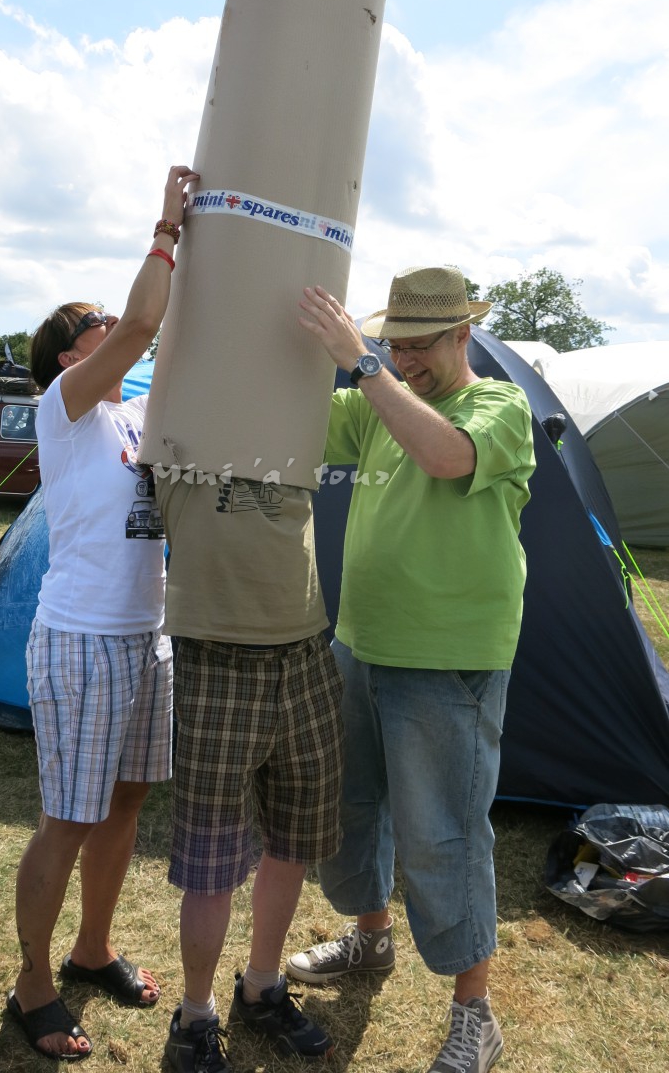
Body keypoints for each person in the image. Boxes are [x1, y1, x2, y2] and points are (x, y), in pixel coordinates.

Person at [289, 266, 536, 1073]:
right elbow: (293, 420)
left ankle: (474, 1013)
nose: (403, 360)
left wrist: (362, 364)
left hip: (448, 656)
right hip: (359, 642)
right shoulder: (376, 401)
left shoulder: (497, 406)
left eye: (418, 345)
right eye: (393, 346)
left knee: (443, 835)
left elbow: (442, 456)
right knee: (350, 809)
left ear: (463, 334)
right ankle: (370, 938)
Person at [7, 164, 199, 1062]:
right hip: (81, 638)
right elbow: (147, 325)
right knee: (69, 818)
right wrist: (167, 229)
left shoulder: (131, 416)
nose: (114, 325)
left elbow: (178, 343)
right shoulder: (66, 410)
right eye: (96, 324)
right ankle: (31, 984)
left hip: (144, 638)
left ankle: (91, 949)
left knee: (124, 803)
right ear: (68, 357)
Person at [154, 446, 345, 1069]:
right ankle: (195, 1015)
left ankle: (262, 987)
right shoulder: (177, 416)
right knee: (210, 861)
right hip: (216, 657)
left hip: (306, 649)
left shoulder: (304, 412)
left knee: (293, 839)